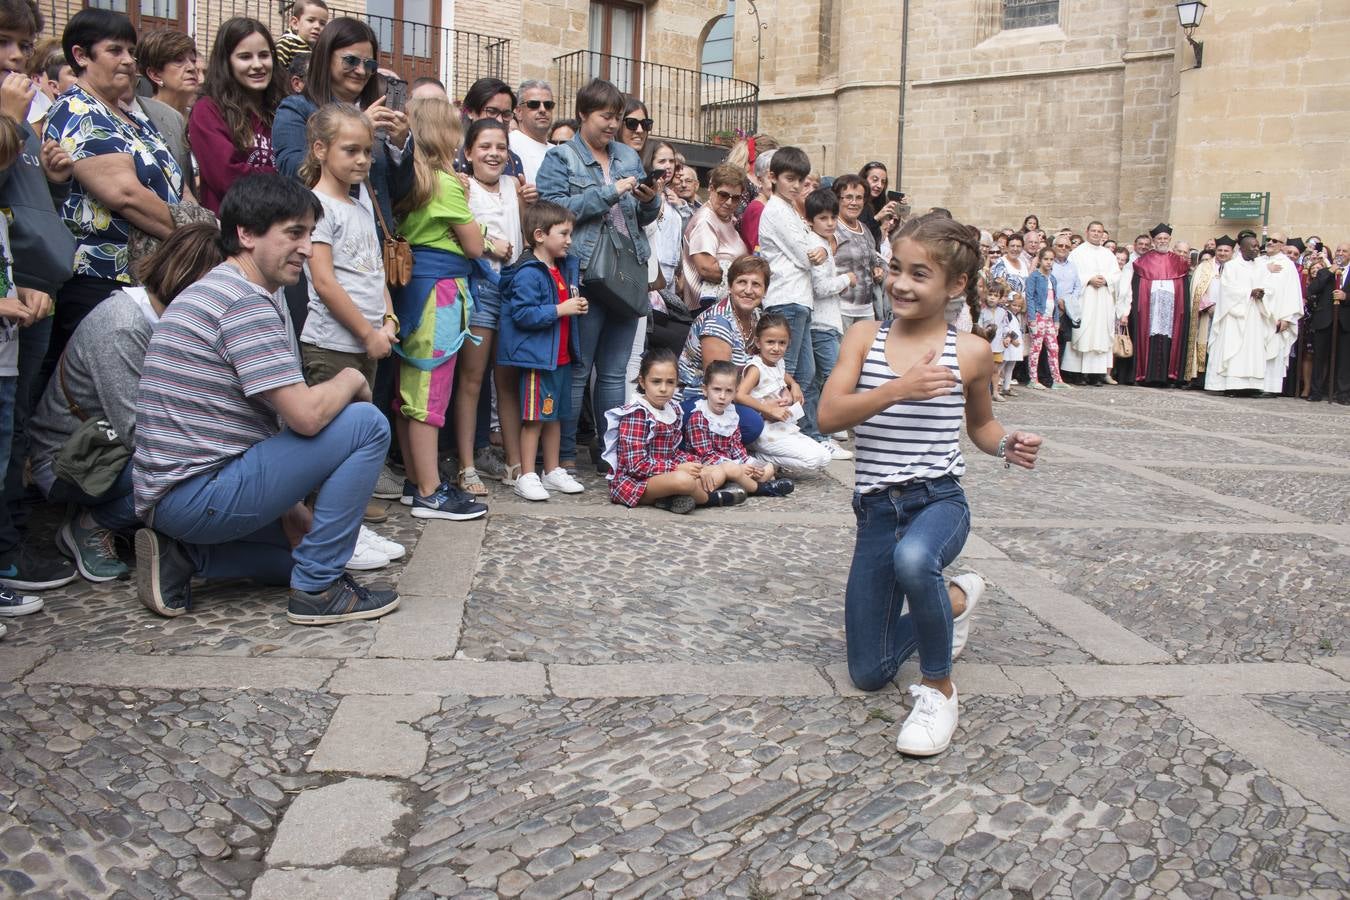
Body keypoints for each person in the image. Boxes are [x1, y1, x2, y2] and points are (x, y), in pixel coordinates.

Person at [130, 173, 399, 625]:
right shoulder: (243, 302)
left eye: (310, 234)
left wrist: (289, 504)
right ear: (246, 234)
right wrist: (352, 377)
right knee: (366, 423)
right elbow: (306, 418)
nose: (307, 249)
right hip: (198, 492)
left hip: (173, 499)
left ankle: (186, 557)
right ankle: (318, 592)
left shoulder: (224, 289)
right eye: (293, 233)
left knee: (303, 550)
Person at [818, 213, 1040, 757]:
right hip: (875, 510)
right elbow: (827, 416)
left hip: (937, 499)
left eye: (919, 274)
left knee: (916, 560)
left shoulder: (971, 351)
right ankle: (956, 600)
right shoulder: (863, 335)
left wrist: (1006, 443)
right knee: (868, 672)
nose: (900, 283)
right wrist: (898, 388)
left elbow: (981, 426)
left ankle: (940, 690)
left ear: (955, 285)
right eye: (895, 268)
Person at [28, 223, 222, 584]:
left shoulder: (171, 321)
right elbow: (139, 432)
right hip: (71, 460)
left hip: (112, 447)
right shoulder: (125, 325)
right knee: (195, 464)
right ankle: (92, 524)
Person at [43, 8, 185, 360]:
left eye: (131, 52)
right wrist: (198, 237)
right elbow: (126, 196)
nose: (128, 61)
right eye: (115, 50)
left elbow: (179, 188)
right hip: (103, 282)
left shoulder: (134, 117)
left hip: (151, 278)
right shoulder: (77, 110)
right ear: (80, 56)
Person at [536, 77, 660, 473]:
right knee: (578, 368)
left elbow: (642, 217)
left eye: (617, 117)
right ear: (583, 115)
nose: (613, 125)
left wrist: (649, 200)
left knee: (613, 372)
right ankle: (567, 452)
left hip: (628, 271)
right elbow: (553, 211)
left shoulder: (626, 154)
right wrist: (610, 192)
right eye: (606, 117)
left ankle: (610, 455)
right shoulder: (561, 158)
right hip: (588, 270)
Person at [389, 97, 490, 521]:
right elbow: (473, 244)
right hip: (442, 292)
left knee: (410, 391)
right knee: (429, 393)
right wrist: (483, 233)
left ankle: (418, 481)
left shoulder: (412, 179)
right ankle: (431, 491)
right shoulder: (444, 184)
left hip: (418, 289)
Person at [496, 200, 587, 501]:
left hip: (559, 358)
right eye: (563, 233)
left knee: (555, 415)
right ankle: (526, 474)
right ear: (539, 235)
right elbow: (523, 314)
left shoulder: (561, 269)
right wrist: (560, 309)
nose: (569, 240)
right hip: (538, 360)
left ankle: (552, 470)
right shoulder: (530, 272)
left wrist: (571, 307)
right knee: (535, 417)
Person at [455, 117, 525, 497]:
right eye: (484, 146)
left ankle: (517, 464)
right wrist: (485, 244)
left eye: (500, 147)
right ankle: (466, 466)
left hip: (512, 288)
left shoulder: (515, 186)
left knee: (508, 379)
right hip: (479, 285)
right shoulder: (462, 188)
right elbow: (456, 233)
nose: (494, 154)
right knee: (472, 378)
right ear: (468, 152)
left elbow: (525, 232)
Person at [602, 347, 723, 513]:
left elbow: (672, 452)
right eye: (656, 381)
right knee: (684, 480)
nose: (663, 389)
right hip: (634, 482)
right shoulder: (637, 414)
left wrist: (695, 464)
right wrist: (676, 468)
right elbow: (636, 466)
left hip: (662, 474)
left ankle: (670, 499)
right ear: (642, 382)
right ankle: (709, 499)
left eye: (670, 382)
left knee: (714, 469)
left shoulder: (672, 409)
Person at [757, 147, 825, 428]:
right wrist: (818, 248)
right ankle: (779, 432)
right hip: (787, 297)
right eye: (790, 178)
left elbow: (814, 245)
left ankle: (808, 432)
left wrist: (819, 246)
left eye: (800, 179)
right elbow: (804, 255)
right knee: (788, 372)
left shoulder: (790, 211)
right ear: (773, 177)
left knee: (805, 374)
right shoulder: (777, 210)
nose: (796, 185)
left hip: (800, 299)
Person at [189, 18, 283, 214]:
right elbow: (227, 177)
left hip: (283, 227)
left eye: (264, 55)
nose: (258, 65)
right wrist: (285, 178)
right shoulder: (207, 110)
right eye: (245, 57)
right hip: (234, 231)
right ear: (227, 62)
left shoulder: (283, 107)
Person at [677, 256, 768, 445]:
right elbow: (719, 385)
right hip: (699, 399)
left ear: (765, 291)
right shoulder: (718, 321)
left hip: (733, 395)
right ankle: (695, 449)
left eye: (756, 284)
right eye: (742, 282)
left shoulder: (756, 317)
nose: (749, 290)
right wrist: (764, 407)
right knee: (753, 424)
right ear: (730, 286)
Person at [736, 312, 831, 474]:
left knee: (825, 457)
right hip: (764, 430)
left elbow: (783, 376)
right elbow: (739, 395)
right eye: (770, 342)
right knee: (813, 460)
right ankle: (757, 457)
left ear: (788, 344)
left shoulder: (778, 363)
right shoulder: (756, 368)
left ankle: (768, 460)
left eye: (782, 343)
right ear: (758, 343)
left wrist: (794, 385)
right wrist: (768, 409)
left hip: (782, 426)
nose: (776, 348)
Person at [683, 360, 793, 498]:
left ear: (735, 393)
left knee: (768, 467)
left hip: (733, 464)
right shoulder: (699, 418)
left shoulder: (731, 415)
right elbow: (706, 456)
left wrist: (749, 464)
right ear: (705, 390)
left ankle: (740, 483)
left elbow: (737, 448)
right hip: (709, 466)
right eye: (717, 389)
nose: (722, 396)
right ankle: (760, 488)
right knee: (732, 470)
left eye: (728, 391)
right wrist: (738, 467)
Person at [804, 187, 855, 457]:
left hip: (827, 321)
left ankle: (821, 429)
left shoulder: (825, 244)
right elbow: (821, 287)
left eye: (833, 217)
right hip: (820, 324)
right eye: (823, 218)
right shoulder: (817, 245)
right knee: (832, 378)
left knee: (821, 379)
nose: (830, 223)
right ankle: (820, 432)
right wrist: (847, 279)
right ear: (811, 219)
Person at [1125, 223, 1190, 385]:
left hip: (1172, 310)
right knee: (1149, 337)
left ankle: (1170, 376)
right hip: (1150, 310)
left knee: (1170, 338)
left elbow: (1183, 289)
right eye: (1159, 238)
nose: (1162, 241)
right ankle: (1144, 375)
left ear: (1170, 240)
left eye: (1165, 238)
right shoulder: (1142, 262)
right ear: (1153, 241)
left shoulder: (1179, 262)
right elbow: (1136, 288)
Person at [679, 162, 748, 310]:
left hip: (727, 303)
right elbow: (707, 269)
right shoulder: (705, 220)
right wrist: (746, 276)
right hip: (708, 307)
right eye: (723, 195)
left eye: (736, 198)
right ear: (711, 189)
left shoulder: (727, 218)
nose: (729, 202)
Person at [1205, 231, 1268, 394]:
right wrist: (1249, 292)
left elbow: (1268, 286)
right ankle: (1231, 384)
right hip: (1235, 315)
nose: (1257, 249)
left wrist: (1262, 293)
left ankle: (1251, 385)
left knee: (1252, 349)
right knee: (1235, 349)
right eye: (1253, 246)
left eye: (1257, 246)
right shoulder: (1232, 266)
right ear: (1243, 248)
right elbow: (1226, 290)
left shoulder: (1260, 266)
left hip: (1254, 313)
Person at [1063, 221, 1123, 386]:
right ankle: (1078, 374)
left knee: (1099, 333)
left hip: (1102, 301)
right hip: (1085, 299)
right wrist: (1089, 279)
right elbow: (1072, 274)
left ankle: (1096, 374)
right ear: (1087, 232)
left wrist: (1106, 280)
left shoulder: (1108, 254)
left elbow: (1117, 275)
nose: (1096, 234)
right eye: (1093, 231)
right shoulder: (1077, 253)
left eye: (1099, 231)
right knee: (1083, 332)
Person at [832, 174, 884, 333]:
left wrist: (878, 269)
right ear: (838, 199)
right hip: (841, 308)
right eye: (848, 197)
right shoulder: (832, 227)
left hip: (866, 308)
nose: (854, 202)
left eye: (859, 198)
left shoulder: (865, 229)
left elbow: (874, 259)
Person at [1255, 232, 1303, 396]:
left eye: (1275, 241)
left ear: (1283, 245)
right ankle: (1253, 384)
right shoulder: (1259, 261)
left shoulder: (1287, 265)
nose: (1270, 242)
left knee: (1273, 351)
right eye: (1268, 240)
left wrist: (1287, 319)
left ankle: (1271, 387)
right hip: (1257, 315)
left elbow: (1292, 293)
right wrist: (1264, 268)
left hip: (1276, 317)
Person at [455, 77, 527, 181]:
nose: (500, 120)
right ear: (471, 112)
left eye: (506, 114)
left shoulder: (513, 160)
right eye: (492, 111)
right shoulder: (448, 157)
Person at [1184, 234, 1231, 386]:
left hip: (1228, 314)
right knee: (1204, 342)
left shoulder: (1235, 267)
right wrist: (1209, 306)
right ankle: (1200, 379)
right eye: (1220, 250)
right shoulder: (1205, 267)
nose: (1222, 253)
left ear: (1232, 252)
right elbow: (1197, 288)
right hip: (1207, 313)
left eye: (1226, 251)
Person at [1306, 243, 1350, 403]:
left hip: (1345, 321)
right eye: (1338, 250)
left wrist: (1346, 296)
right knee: (1319, 358)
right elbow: (1312, 289)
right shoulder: (1325, 271)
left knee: (1345, 359)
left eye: (1344, 251)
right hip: (1325, 320)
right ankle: (1315, 391)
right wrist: (1330, 272)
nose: (1340, 253)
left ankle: (1343, 393)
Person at [1025, 247, 1067, 389]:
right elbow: (1029, 298)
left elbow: (1054, 300)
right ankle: (1033, 379)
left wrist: (1056, 320)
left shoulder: (1052, 279)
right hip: (1038, 315)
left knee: (1053, 348)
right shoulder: (1034, 277)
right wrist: (1031, 319)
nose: (1049, 262)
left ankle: (1057, 379)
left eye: (1051, 259)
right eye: (1046, 259)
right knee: (1036, 347)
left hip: (1049, 317)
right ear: (1040, 260)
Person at [1047, 232, 1081, 383]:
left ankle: (1058, 374)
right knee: (1047, 343)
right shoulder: (1048, 262)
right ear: (1053, 247)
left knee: (1061, 343)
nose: (1063, 248)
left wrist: (1067, 302)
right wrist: (1056, 301)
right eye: (1060, 245)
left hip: (1066, 309)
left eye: (1067, 246)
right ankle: (1045, 375)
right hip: (1050, 308)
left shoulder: (1073, 266)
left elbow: (1077, 287)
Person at [509, 79, 554, 183]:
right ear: (519, 112)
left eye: (548, 105)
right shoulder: (508, 144)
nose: (543, 110)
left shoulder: (558, 151)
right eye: (534, 104)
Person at [273, 0, 328, 68]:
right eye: (311, 20)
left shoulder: (320, 50)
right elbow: (276, 70)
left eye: (322, 23)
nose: (317, 26)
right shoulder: (286, 43)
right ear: (295, 23)